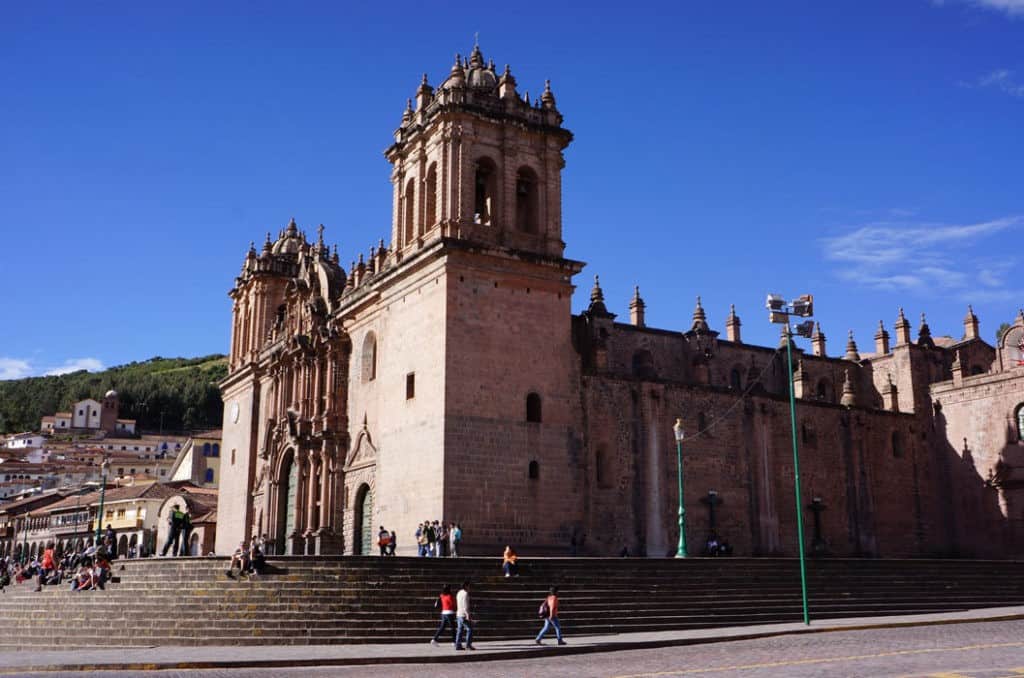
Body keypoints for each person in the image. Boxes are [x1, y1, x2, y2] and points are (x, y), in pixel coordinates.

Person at [454, 580, 475, 651]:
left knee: (460, 630)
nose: (470, 587)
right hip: (463, 615)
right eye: (469, 586)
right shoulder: (465, 594)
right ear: (466, 586)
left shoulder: (459, 592)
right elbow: (465, 606)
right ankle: (468, 645)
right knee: (470, 629)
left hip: (458, 614)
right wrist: (468, 615)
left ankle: (457, 645)